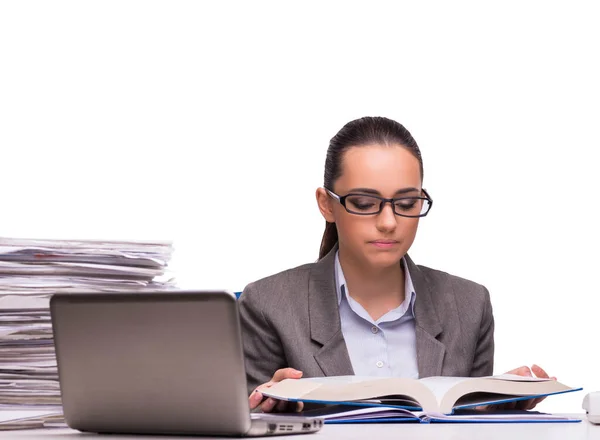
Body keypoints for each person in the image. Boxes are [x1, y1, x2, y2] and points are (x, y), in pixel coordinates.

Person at [239, 116, 553, 413]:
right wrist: (260, 407)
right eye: (364, 204)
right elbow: (235, 423)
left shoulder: (469, 305)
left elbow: (465, 428)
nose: (389, 222)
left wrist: (491, 407)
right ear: (326, 204)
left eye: (406, 204)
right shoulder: (269, 304)